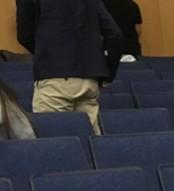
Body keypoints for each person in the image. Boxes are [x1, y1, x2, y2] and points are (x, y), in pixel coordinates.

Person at [16, 0, 121, 135]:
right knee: (91, 145)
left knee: (53, 144)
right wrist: (108, 73)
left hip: (54, 77)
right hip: (90, 78)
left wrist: (48, 53)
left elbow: (25, 34)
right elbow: (114, 34)